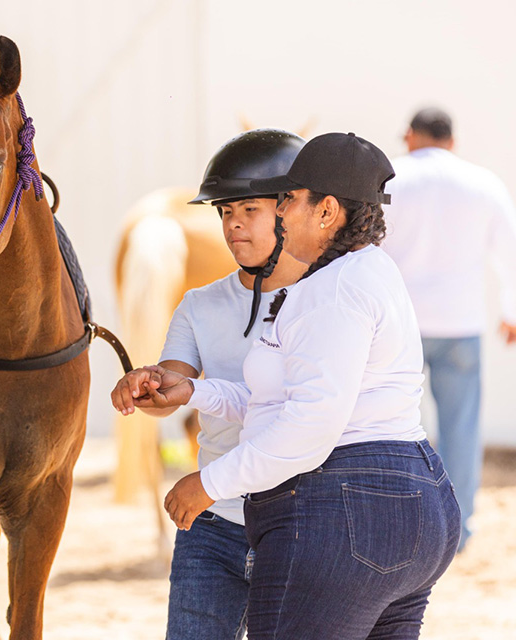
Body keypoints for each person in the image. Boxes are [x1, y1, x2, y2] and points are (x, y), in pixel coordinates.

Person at [113, 133, 460, 639]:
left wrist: (209, 483)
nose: (278, 215)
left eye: (288, 201)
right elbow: (277, 402)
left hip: (346, 501)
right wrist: (194, 392)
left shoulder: (331, 290)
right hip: (414, 498)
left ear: (326, 212)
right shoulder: (364, 274)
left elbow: (311, 423)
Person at [113, 129, 307, 639]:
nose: (233, 226)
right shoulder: (198, 305)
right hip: (211, 524)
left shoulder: (323, 300)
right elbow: (172, 386)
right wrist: (146, 389)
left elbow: (298, 411)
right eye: (225, 213)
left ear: (288, 211)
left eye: (249, 211)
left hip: (300, 520)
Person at [381, 107, 516, 552]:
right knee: (461, 426)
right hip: (461, 323)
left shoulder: (390, 178)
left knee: (399, 425)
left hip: (399, 325)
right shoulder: (483, 183)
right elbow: (509, 253)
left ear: (411, 135)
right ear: (452, 141)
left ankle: (408, 523)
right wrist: (511, 312)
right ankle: (457, 530)